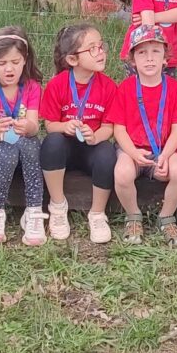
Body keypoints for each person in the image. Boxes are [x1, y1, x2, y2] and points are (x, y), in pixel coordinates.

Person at [111, 25, 177, 245]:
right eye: (142, 53)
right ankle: (133, 215)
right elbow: (119, 129)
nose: (149, 58)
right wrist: (133, 153)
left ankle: (166, 216)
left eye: (156, 51)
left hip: (164, 150)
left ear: (165, 58)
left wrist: (165, 156)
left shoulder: (175, 89)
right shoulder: (125, 88)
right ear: (132, 60)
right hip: (132, 150)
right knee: (122, 173)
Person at [40, 23, 118, 244]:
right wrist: (64, 127)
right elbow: (50, 124)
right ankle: (57, 206)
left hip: (91, 149)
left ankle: (97, 213)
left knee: (107, 152)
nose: (100, 52)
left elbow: (109, 127)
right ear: (73, 59)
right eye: (92, 48)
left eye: (101, 46)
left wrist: (95, 137)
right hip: (65, 148)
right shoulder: (57, 85)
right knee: (52, 142)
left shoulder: (109, 87)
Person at [0, 26, 46, 245]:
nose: (9, 69)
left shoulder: (32, 88)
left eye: (15, 62)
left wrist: (27, 126)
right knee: (7, 149)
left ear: (25, 60)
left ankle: (34, 211)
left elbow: (34, 126)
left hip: (27, 152)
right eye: (2, 63)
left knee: (31, 143)